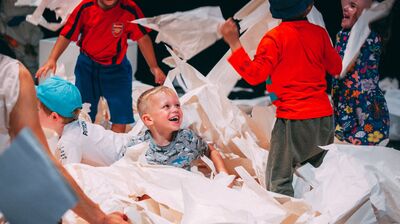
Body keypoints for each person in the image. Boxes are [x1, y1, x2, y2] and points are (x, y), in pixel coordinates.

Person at [219, 0, 342, 196]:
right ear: (309, 7)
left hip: (293, 122)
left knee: (278, 180)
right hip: (324, 120)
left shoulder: (274, 38)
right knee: (319, 176)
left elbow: (254, 75)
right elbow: (336, 68)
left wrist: (234, 42)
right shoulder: (319, 34)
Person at [0, 52, 129, 223]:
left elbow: (67, 173)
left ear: (54, 117)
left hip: (126, 153)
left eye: (35, 108)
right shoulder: (78, 124)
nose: (32, 111)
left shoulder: (69, 142)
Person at [36, 0, 166, 133]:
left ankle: (116, 149)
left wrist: (154, 67)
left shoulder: (129, 8)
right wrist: (52, 59)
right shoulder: (85, 7)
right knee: (83, 112)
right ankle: (84, 144)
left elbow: (142, 38)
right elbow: (67, 34)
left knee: (120, 115)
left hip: (117, 69)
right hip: (87, 67)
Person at [126, 86, 228, 173]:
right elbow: (126, 174)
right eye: (166, 106)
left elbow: (211, 151)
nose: (175, 109)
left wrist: (223, 173)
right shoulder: (136, 147)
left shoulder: (188, 138)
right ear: (148, 119)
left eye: (177, 105)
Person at [36, 76, 133, 166]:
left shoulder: (69, 142)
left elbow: (70, 176)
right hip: (126, 142)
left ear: (54, 117)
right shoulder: (77, 119)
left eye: (37, 109)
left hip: (128, 156)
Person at [332, 0, 390, 145]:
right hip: (343, 104)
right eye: (346, 4)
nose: (345, 8)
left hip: (364, 106)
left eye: (352, 6)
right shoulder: (341, 35)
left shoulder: (371, 36)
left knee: (365, 150)